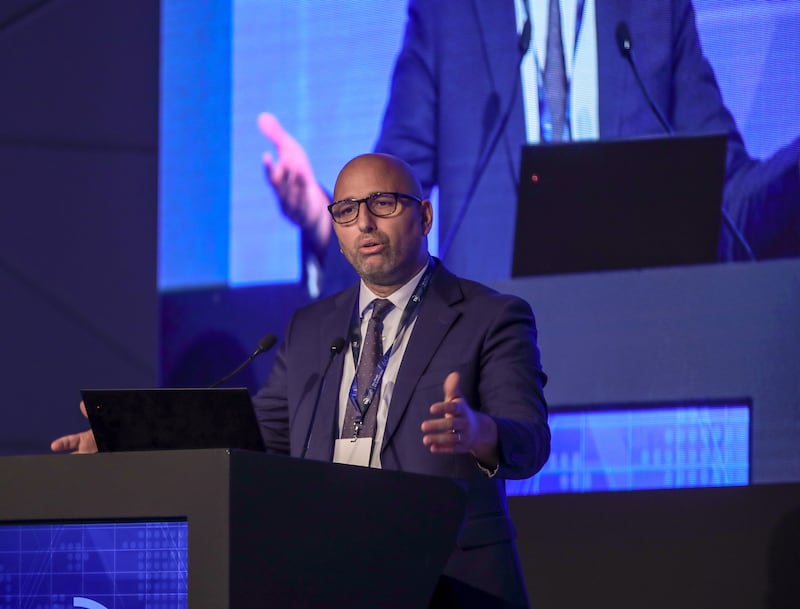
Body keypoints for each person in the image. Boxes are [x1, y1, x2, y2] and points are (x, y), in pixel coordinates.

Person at [53, 152, 551, 609]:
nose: (366, 223)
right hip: (331, 575)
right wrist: (125, 436)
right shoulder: (312, 327)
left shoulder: (491, 315)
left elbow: (529, 438)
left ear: (424, 216)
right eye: (348, 211)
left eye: (383, 203)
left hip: (449, 579)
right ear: (335, 230)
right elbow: (257, 432)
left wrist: (479, 432)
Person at [259, 0, 800, 293]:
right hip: (489, 361)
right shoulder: (448, 13)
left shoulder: (657, 10)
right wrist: (318, 216)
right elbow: (393, 191)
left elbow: (727, 202)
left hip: (646, 335)